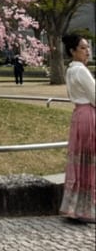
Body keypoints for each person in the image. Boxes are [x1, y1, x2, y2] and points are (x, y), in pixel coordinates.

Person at [59, 33, 95, 223]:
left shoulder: (71, 70)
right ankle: (87, 209)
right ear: (73, 51)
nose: (87, 51)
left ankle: (76, 207)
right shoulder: (80, 70)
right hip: (88, 114)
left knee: (80, 160)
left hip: (79, 115)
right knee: (89, 160)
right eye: (82, 48)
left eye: (87, 47)